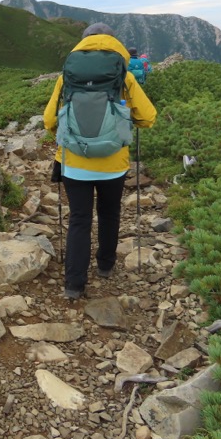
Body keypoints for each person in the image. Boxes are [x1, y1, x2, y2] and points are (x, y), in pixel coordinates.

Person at [44, 23, 157, 299]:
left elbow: (49, 120)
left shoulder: (67, 77)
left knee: (79, 220)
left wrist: (68, 137)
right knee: (109, 213)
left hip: (74, 164)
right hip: (112, 164)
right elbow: (147, 117)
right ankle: (105, 265)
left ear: (83, 44)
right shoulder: (123, 75)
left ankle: (74, 284)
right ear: (112, 42)